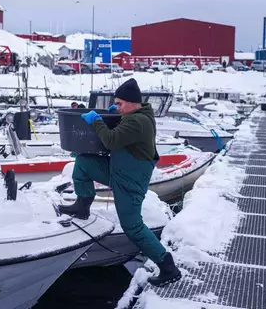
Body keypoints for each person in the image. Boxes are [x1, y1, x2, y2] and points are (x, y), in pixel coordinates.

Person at [58, 78, 182, 287]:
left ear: (133, 103)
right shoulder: (135, 114)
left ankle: (168, 266)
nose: (118, 108)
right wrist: (111, 113)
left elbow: (111, 140)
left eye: (120, 103)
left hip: (130, 181)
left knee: (132, 227)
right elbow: (117, 133)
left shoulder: (138, 122)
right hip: (118, 171)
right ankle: (82, 205)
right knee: (84, 162)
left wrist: (97, 121)